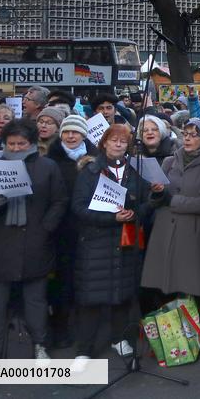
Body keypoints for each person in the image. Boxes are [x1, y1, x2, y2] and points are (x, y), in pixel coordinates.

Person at [0, 118, 68, 361]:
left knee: (36, 302)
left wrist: (46, 228)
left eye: (21, 144)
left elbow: (59, 201)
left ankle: (39, 345)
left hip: (35, 244)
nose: (15, 148)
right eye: (11, 144)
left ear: (32, 143)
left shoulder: (47, 167)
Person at [71, 124, 157, 367]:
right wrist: (110, 219)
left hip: (125, 243)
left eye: (123, 141)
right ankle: (84, 349)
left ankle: (119, 339)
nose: (119, 145)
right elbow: (78, 207)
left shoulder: (133, 172)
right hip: (96, 243)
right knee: (91, 299)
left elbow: (143, 204)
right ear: (104, 143)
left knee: (121, 296)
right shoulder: (90, 171)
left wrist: (138, 209)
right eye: (114, 140)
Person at [141, 119, 200, 341]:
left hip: (193, 233)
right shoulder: (169, 161)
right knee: (165, 285)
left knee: (196, 288)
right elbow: (154, 199)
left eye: (195, 135)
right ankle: (173, 339)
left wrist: (170, 200)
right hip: (164, 232)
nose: (189, 138)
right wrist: (156, 193)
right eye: (186, 133)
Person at [45, 114, 94, 348]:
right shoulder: (50, 159)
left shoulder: (95, 159)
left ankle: (85, 330)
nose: (71, 136)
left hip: (88, 230)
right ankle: (60, 328)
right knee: (61, 282)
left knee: (84, 281)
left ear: (84, 134)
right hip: (60, 230)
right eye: (67, 132)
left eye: (75, 132)